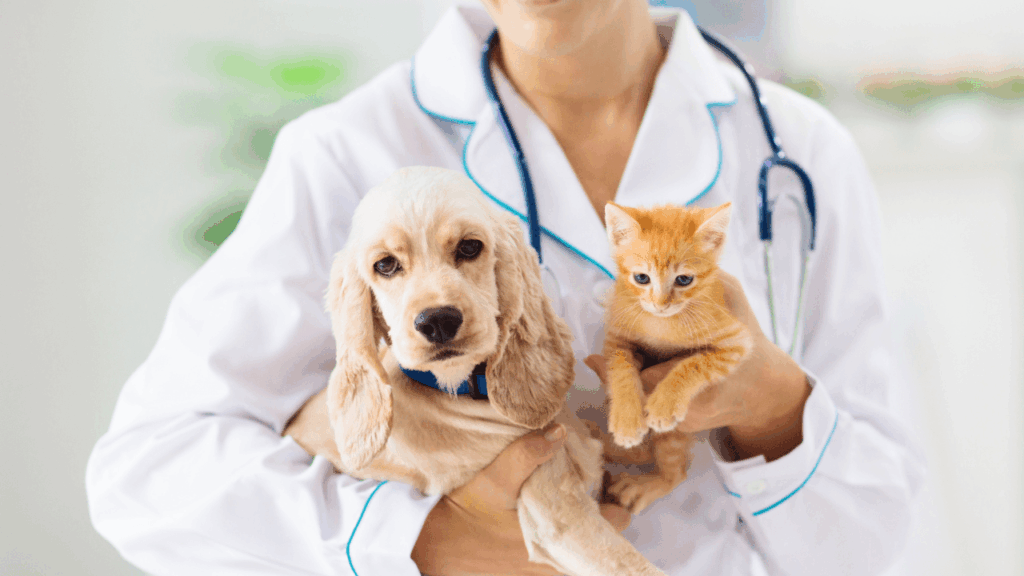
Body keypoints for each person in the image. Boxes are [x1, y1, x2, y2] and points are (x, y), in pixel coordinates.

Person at [86, 1, 925, 575]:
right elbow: (147, 477)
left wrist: (771, 402)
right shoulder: (343, 155)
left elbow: (867, 544)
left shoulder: (797, 153)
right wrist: (428, 542)